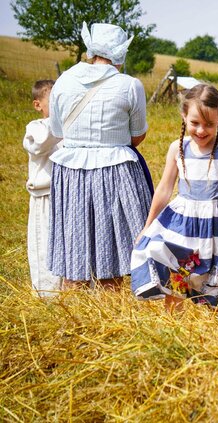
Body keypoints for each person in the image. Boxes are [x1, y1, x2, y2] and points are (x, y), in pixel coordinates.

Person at [130, 84, 218, 311]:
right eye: (195, 123)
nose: (201, 130)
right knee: (177, 275)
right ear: (183, 116)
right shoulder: (177, 149)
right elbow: (164, 189)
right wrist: (148, 225)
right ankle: (175, 326)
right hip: (184, 222)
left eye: (209, 124)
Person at [47, 22, 151, 290]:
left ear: (91, 50)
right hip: (115, 171)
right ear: (120, 54)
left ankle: (73, 314)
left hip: (71, 172)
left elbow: (59, 131)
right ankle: (109, 315)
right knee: (113, 251)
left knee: (74, 251)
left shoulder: (63, 81)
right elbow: (137, 135)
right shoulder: (130, 85)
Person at [22, 79, 62, 297]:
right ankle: (47, 293)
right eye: (53, 100)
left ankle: (68, 288)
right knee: (44, 243)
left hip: (66, 194)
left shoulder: (65, 127)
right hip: (44, 195)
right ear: (38, 105)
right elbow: (41, 142)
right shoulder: (36, 128)